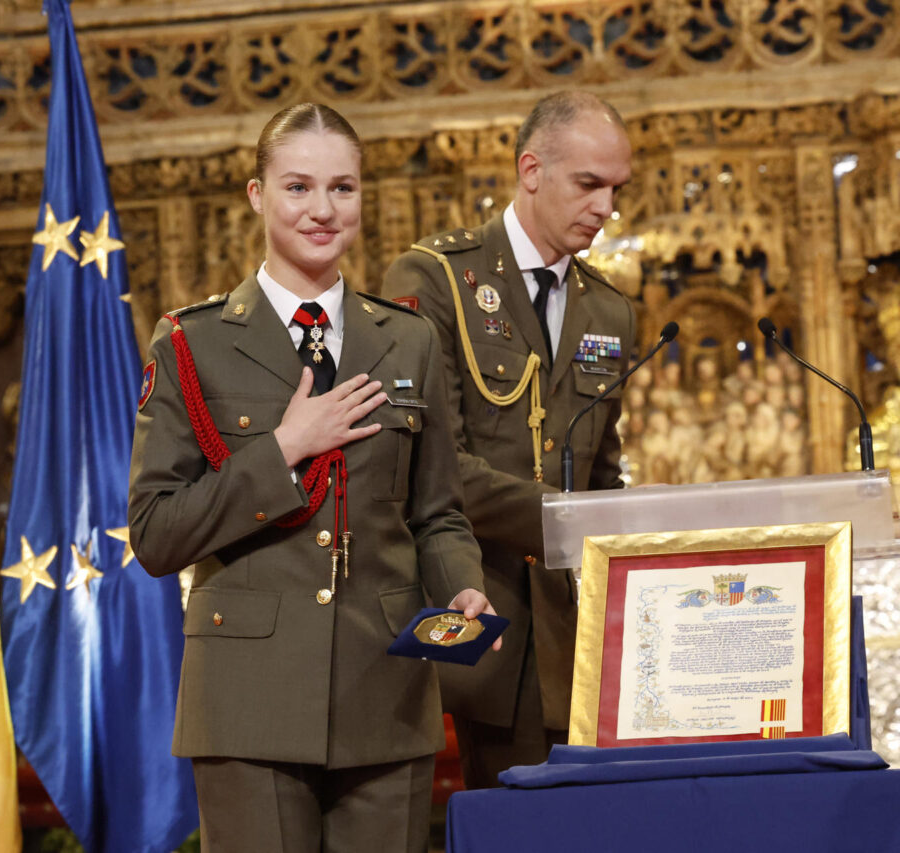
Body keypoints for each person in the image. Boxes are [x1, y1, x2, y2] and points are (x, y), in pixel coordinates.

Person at [129, 102, 498, 852]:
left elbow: (438, 514)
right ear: (258, 195)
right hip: (246, 700)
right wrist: (283, 449)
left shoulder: (409, 340)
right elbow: (156, 533)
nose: (323, 210)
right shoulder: (192, 343)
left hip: (386, 691)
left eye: (343, 189)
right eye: (298, 187)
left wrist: (461, 581)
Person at [381, 91, 636, 788]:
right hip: (478, 607)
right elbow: (430, 466)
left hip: (578, 627)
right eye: (589, 184)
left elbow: (603, 469)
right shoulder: (436, 279)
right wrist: (571, 517)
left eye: (617, 188)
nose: (606, 206)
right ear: (531, 169)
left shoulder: (610, 308)